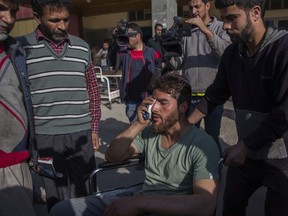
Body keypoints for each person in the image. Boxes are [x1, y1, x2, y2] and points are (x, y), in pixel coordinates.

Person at [50, 73, 220, 216]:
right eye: (154, 101)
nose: (154, 108)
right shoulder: (150, 133)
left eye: (163, 102)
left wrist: (140, 203)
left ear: (183, 107)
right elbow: (112, 155)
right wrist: (138, 124)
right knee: (62, 210)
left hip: (169, 208)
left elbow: (205, 204)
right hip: (141, 198)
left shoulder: (202, 144)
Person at [188, 0, 288, 215]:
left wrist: (245, 146)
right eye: (224, 18)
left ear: (255, 13)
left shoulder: (283, 50)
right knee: (231, 206)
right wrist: (183, 127)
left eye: (232, 18)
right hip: (247, 156)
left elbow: (284, 115)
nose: (225, 26)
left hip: (282, 159)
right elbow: (214, 95)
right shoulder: (233, 54)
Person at [18, 0, 101, 211]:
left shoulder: (82, 47)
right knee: (55, 195)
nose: (62, 26)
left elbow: (92, 89)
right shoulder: (20, 48)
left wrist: (94, 127)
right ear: (37, 17)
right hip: (46, 136)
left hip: (81, 134)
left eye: (65, 19)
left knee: (85, 192)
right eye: (54, 20)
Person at [172, 0, 231, 148]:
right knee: (189, 139)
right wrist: (171, 47)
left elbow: (226, 54)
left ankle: (214, 169)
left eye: (197, 6)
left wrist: (204, 29)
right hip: (189, 96)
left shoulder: (220, 27)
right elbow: (176, 63)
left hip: (213, 97)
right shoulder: (185, 31)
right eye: (191, 7)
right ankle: (192, 169)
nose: (193, 11)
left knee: (211, 139)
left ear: (207, 6)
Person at [0, 0, 35, 215]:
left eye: (13, 11)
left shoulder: (18, 51)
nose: (10, 19)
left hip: (13, 163)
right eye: (1, 9)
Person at [112, 22, 162, 123]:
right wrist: (114, 40)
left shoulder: (152, 52)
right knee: (135, 133)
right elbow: (113, 60)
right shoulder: (124, 53)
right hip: (132, 102)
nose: (126, 38)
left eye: (128, 35)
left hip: (149, 100)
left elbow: (163, 64)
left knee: (150, 133)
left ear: (138, 35)